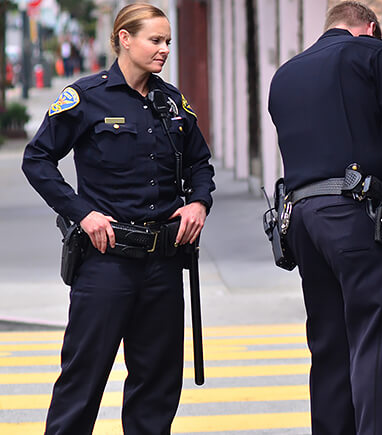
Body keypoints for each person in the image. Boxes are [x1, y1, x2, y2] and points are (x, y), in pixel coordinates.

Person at [21, 3, 215, 433]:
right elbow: (37, 160)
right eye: (155, 40)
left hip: (164, 262)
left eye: (168, 41)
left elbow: (200, 163)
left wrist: (199, 203)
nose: (165, 49)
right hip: (106, 261)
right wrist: (81, 213)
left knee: (157, 387)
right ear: (125, 39)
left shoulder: (173, 102)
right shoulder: (86, 97)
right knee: (82, 382)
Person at [268, 2, 382, 434]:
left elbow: (328, 141)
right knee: (377, 343)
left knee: (329, 348)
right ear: (370, 28)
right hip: (355, 219)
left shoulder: (286, 74)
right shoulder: (375, 53)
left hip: (301, 222)